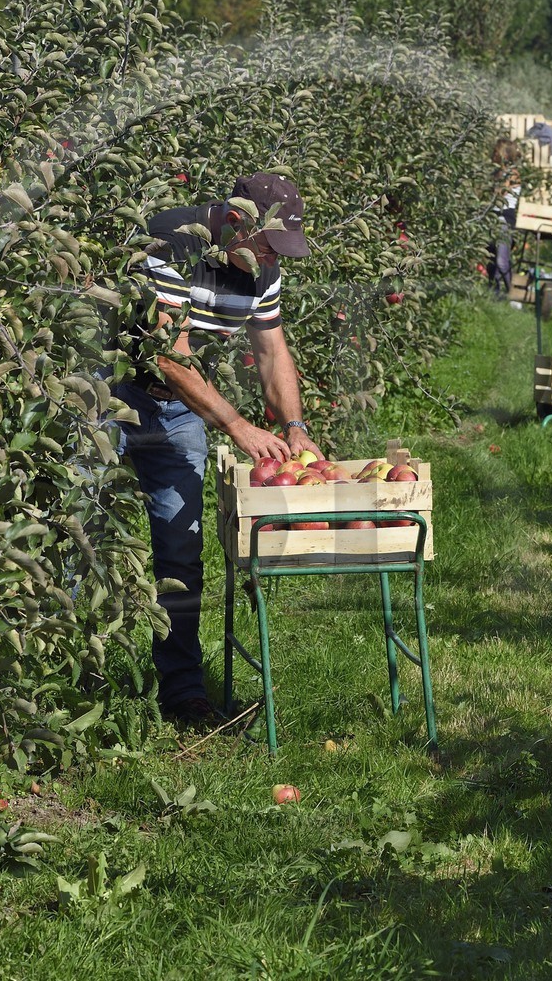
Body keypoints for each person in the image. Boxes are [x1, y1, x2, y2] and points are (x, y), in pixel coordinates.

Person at [114, 172, 323, 728]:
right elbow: (168, 355)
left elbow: (272, 351)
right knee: (78, 534)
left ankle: (182, 692)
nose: (272, 260)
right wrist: (237, 425)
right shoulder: (172, 241)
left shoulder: (261, 272)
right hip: (103, 395)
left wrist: (293, 424)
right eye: (267, 245)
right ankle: (59, 687)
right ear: (235, 221)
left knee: (181, 550)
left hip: (179, 410)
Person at [488, 138, 521, 293]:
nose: (492, 154)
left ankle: (510, 292)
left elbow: (499, 194)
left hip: (504, 220)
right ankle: (494, 293)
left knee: (501, 261)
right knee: (491, 258)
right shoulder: (497, 172)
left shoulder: (511, 174)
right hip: (492, 218)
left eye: (496, 151)